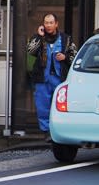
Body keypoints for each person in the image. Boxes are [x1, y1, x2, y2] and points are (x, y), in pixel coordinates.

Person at [26, 13, 76, 141]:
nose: (48, 25)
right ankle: (46, 131)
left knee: (61, 105)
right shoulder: (37, 38)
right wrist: (39, 36)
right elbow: (30, 51)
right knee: (43, 105)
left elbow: (75, 57)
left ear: (56, 24)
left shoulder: (66, 39)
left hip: (60, 79)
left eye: (51, 23)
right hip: (43, 78)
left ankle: (60, 129)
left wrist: (65, 58)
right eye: (46, 23)